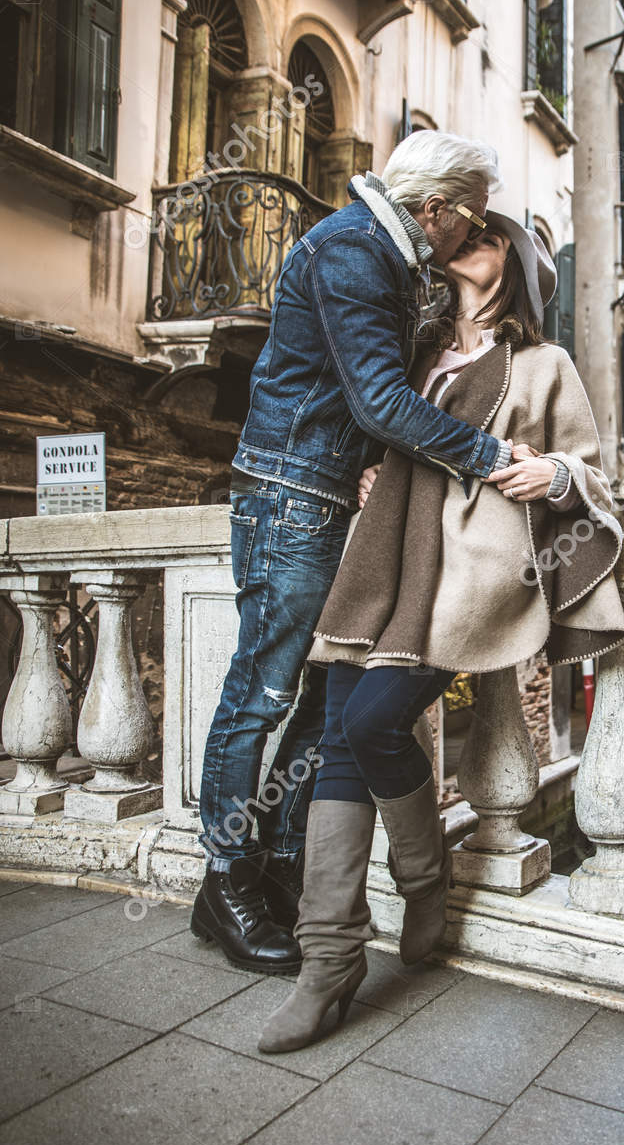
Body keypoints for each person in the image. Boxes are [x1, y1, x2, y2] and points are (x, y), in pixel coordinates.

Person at [258, 211, 624, 1053]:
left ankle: (420, 887)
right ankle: (331, 962)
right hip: (384, 564)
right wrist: (371, 479)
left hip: (467, 577)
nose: (464, 236)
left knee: (364, 722)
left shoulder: (545, 363)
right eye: (457, 229)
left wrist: (556, 471)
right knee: (344, 740)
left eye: (486, 234)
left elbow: (595, 471)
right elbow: (383, 430)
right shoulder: (415, 353)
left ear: (518, 262)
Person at [192, 132, 527, 975]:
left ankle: (277, 865)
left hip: (324, 495)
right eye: (473, 217)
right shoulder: (353, 251)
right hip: (289, 496)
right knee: (261, 694)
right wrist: (492, 458)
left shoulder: (385, 254)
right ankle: (226, 881)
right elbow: (378, 401)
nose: (473, 232)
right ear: (436, 210)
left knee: (319, 702)